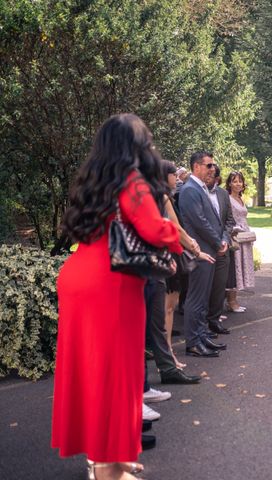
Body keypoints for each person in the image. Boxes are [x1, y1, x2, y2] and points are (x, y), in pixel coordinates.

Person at [52, 113, 183, 480]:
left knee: (91, 372)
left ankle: (103, 459)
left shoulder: (91, 180)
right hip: (112, 287)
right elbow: (155, 230)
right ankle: (110, 470)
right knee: (116, 376)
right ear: (137, 146)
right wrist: (174, 235)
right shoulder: (132, 181)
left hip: (79, 278)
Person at [162, 161, 216, 370]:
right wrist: (196, 249)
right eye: (173, 174)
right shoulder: (170, 195)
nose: (177, 178)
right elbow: (178, 227)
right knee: (170, 308)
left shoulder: (171, 195)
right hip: (168, 255)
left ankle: (175, 352)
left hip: (174, 253)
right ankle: (175, 353)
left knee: (172, 307)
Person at [178, 151, 229, 357]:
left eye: (212, 165)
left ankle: (201, 336)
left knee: (203, 297)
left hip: (209, 249)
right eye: (209, 165)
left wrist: (222, 239)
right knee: (196, 298)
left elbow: (216, 219)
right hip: (200, 250)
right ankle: (193, 342)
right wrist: (217, 242)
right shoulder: (191, 189)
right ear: (196, 167)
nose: (212, 169)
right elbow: (200, 222)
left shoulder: (200, 188)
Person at [205, 163, 235, 336]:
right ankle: (202, 324)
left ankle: (214, 321)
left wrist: (224, 240)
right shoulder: (197, 192)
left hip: (223, 248)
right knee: (204, 289)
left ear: (216, 178)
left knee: (219, 286)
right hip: (205, 247)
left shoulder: (223, 194)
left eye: (211, 176)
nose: (207, 179)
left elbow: (229, 221)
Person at [225, 171, 256, 309]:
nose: (238, 183)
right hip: (236, 236)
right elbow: (228, 219)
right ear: (229, 183)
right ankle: (231, 302)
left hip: (245, 237)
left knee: (241, 268)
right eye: (234, 181)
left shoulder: (241, 198)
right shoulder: (228, 198)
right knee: (235, 268)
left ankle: (234, 300)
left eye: (240, 181)